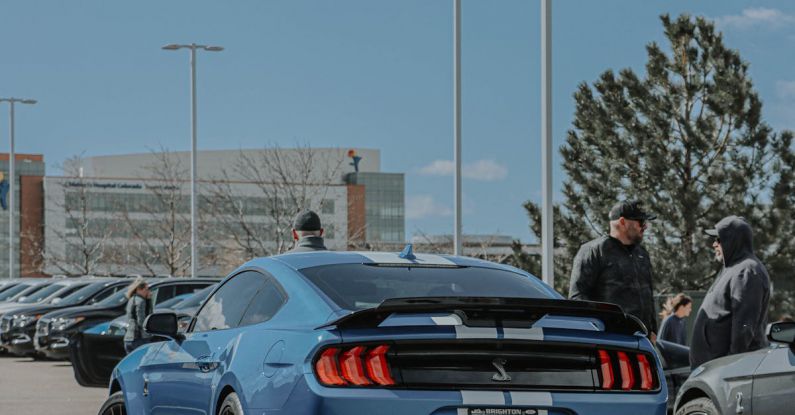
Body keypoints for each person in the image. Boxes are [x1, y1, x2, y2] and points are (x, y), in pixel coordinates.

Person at [569, 200, 658, 341]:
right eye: (640, 222)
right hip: (609, 340)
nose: (645, 226)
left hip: (642, 341)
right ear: (622, 222)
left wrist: (653, 330)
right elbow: (578, 298)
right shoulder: (594, 251)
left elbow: (648, 294)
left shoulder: (642, 254)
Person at [690, 216, 771, 369]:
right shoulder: (733, 268)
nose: (714, 244)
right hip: (713, 371)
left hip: (727, 372)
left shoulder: (747, 271)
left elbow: (744, 327)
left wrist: (730, 367)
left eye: (718, 239)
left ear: (733, 240)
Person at [123, 277, 153, 354]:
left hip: (128, 338)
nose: (148, 292)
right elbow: (142, 320)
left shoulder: (131, 299)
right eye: (146, 289)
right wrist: (149, 300)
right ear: (139, 290)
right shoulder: (141, 301)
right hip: (139, 338)